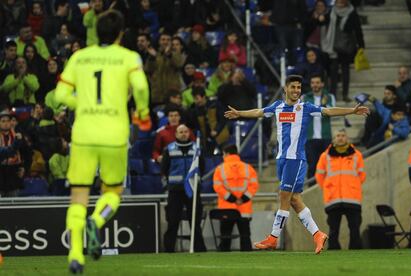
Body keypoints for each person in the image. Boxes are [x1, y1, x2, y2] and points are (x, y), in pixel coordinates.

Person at [224, 74, 369, 253]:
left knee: (284, 196)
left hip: (296, 159)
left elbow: (328, 111)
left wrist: (351, 111)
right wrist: (239, 113)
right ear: (285, 88)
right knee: (293, 200)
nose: (296, 91)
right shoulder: (277, 106)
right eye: (293, 87)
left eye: (299, 88)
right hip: (281, 159)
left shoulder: (305, 108)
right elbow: (259, 112)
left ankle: (273, 237)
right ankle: (317, 234)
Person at [54, 10, 150, 273]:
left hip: (84, 134)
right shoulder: (128, 57)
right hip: (114, 135)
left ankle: (75, 254)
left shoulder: (79, 57)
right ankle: (96, 222)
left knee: (78, 196)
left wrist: (82, 104)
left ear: (95, 31)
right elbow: (140, 87)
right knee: (113, 192)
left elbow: (60, 94)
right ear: (121, 33)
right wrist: (142, 113)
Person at [315, 129, 365, 249]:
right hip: (333, 198)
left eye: (343, 135)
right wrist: (328, 188)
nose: (341, 138)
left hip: (352, 197)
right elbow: (319, 176)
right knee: (333, 229)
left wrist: (352, 186)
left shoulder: (357, 155)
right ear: (334, 138)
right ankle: (333, 249)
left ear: (347, 138)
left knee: (354, 228)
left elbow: (362, 176)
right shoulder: (325, 156)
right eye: (338, 135)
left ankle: (356, 249)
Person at [161, 124, 207, 253]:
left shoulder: (197, 148)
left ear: (189, 133)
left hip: (193, 189)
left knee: (195, 221)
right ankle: (169, 250)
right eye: (180, 132)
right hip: (175, 190)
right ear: (175, 134)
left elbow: (202, 167)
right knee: (173, 220)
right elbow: (164, 169)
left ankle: (199, 249)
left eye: (186, 131)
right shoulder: (169, 149)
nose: (183, 134)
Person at [213, 144, 259, 251]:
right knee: (245, 237)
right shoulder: (248, 168)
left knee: (225, 237)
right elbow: (254, 185)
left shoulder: (220, 169)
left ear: (227, 154)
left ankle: (224, 263)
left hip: (226, 207)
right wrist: (243, 198)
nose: (222, 157)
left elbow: (218, 187)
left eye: (223, 154)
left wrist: (231, 199)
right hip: (244, 207)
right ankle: (248, 262)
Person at [320, 0, 364, 102]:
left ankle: (345, 94)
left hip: (346, 46)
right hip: (332, 46)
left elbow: (358, 29)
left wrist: (361, 45)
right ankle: (332, 95)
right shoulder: (331, 11)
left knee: (345, 71)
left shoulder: (352, 13)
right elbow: (323, 21)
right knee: (333, 71)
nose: (339, 2)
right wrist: (319, 19)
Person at [302, 74, 335, 180]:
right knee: (312, 166)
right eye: (313, 83)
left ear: (322, 84)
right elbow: (305, 113)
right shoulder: (305, 97)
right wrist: (322, 107)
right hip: (310, 138)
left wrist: (323, 107)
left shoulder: (330, 97)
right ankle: (312, 189)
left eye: (317, 82)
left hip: (326, 137)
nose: (315, 85)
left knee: (327, 166)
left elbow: (332, 112)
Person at [0, 110, 25, 197]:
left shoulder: (18, 136)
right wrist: (16, 144)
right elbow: (5, 152)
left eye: (8, 121)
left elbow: (26, 153)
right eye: (3, 121)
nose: (6, 123)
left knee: (13, 206)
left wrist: (23, 167)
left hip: (13, 175)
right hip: (1, 175)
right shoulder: (17, 139)